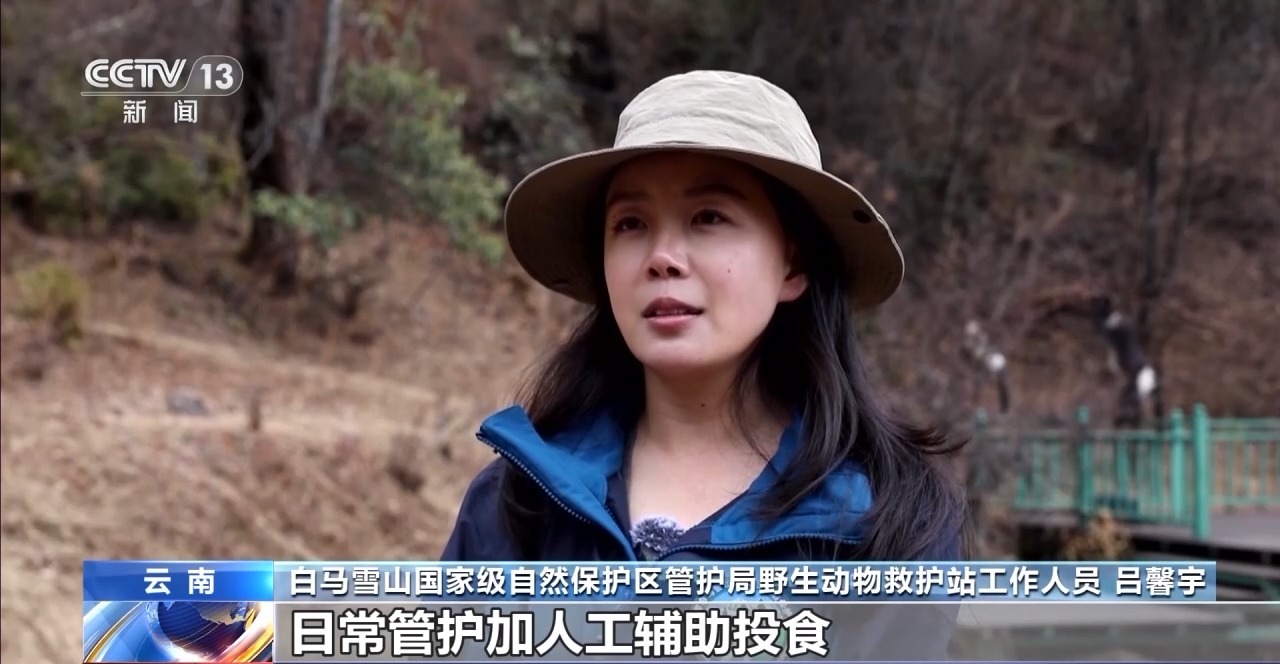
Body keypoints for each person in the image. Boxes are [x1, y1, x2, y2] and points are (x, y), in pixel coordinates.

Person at [441, 70, 966, 657]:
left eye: (709, 217)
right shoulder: (520, 499)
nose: (662, 257)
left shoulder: (887, 521)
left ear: (793, 264)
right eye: (630, 224)